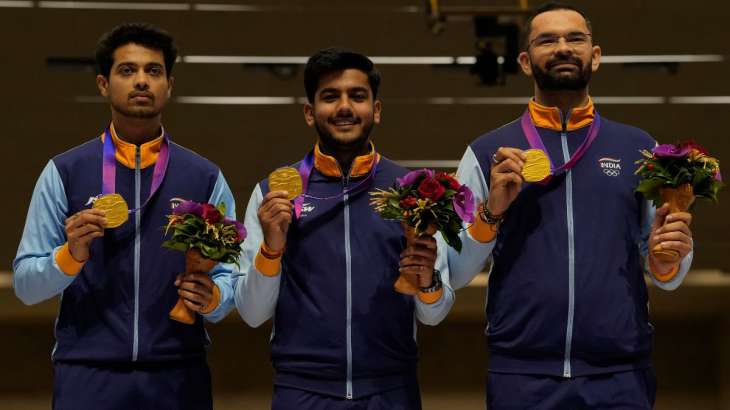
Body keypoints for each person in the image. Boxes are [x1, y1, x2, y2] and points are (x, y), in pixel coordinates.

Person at [447, 3, 694, 409]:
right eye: (547, 40)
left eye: (575, 38)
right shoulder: (486, 153)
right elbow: (454, 272)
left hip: (620, 374)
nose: (562, 47)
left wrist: (672, 257)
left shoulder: (640, 150)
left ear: (595, 55)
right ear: (525, 61)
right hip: (522, 375)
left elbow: (666, 273)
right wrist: (491, 212)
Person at [13, 23, 238, 410]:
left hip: (177, 374)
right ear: (103, 84)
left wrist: (215, 297)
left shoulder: (204, 177)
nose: (141, 81)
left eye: (153, 71)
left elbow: (232, 274)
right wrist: (71, 255)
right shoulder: (64, 171)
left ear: (169, 84)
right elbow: (26, 284)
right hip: (86, 372)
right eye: (126, 70)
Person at [235, 48, 454, 409]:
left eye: (357, 96)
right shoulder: (271, 194)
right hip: (302, 391)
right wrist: (272, 249)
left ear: (377, 110)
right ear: (310, 113)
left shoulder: (414, 191)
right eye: (329, 96)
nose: (344, 107)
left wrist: (428, 279)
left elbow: (435, 314)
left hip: (390, 390)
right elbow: (252, 313)